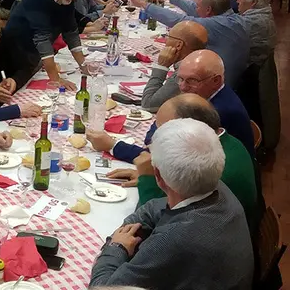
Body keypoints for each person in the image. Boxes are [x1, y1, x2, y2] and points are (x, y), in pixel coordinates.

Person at [89, 119, 253, 289]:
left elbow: (101, 287)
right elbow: (153, 207)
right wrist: (129, 230)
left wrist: (116, 247)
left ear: (157, 176)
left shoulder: (172, 241)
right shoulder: (218, 187)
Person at [111, 94, 258, 229]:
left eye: (162, 129)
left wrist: (149, 180)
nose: (154, 137)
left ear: (189, 132)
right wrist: (158, 177)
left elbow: (157, 224)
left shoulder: (207, 166)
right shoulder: (222, 143)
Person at [91, 49, 255, 161]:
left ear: (216, 81)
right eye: (180, 79)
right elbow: (156, 137)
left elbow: (164, 159)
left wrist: (112, 146)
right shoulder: (208, 93)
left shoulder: (218, 111)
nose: (182, 87)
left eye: (192, 80)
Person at [127, 0, 249, 87]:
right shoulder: (234, 18)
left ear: (208, 10)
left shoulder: (217, 25)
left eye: (198, 6)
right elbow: (193, 8)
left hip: (217, 86)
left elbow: (181, 22)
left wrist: (143, 5)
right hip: (232, 81)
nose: (196, 9)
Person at [5, 0, 85, 91]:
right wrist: (56, 79)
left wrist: (84, 66)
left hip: (35, 55)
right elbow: (42, 40)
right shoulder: (38, 0)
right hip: (16, 55)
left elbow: (71, 33)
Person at [140, 21, 208, 112]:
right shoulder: (200, 61)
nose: (165, 42)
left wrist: (161, 66)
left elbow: (148, 105)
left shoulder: (187, 72)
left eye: (168, 37)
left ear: (179, 45)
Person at [238, 0, 276, 67]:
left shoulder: (251, 23)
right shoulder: (266, 14)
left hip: (248, 71)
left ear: (254, 2)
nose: (238, 1)